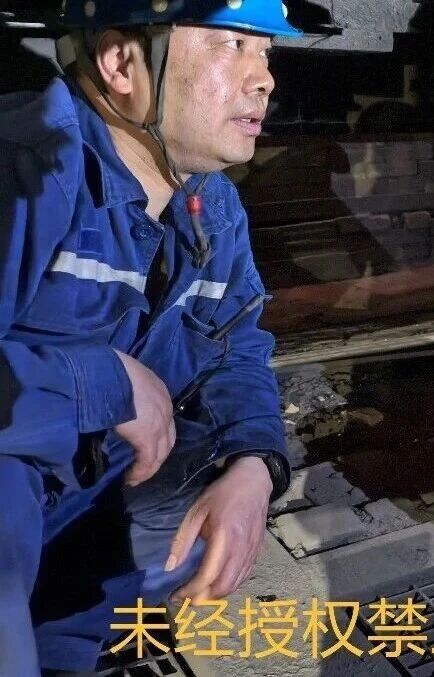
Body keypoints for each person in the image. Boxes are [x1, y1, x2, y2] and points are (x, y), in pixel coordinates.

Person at [0, 1, 299, 673]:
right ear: (121, 62)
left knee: (208, 497)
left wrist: (256, 464)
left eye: (267, 53)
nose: (264, 79)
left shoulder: (210, 205)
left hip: (80, 493)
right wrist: (101, 381)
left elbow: (237, 346)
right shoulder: (28, 170)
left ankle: (60, 650)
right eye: (231, 45)